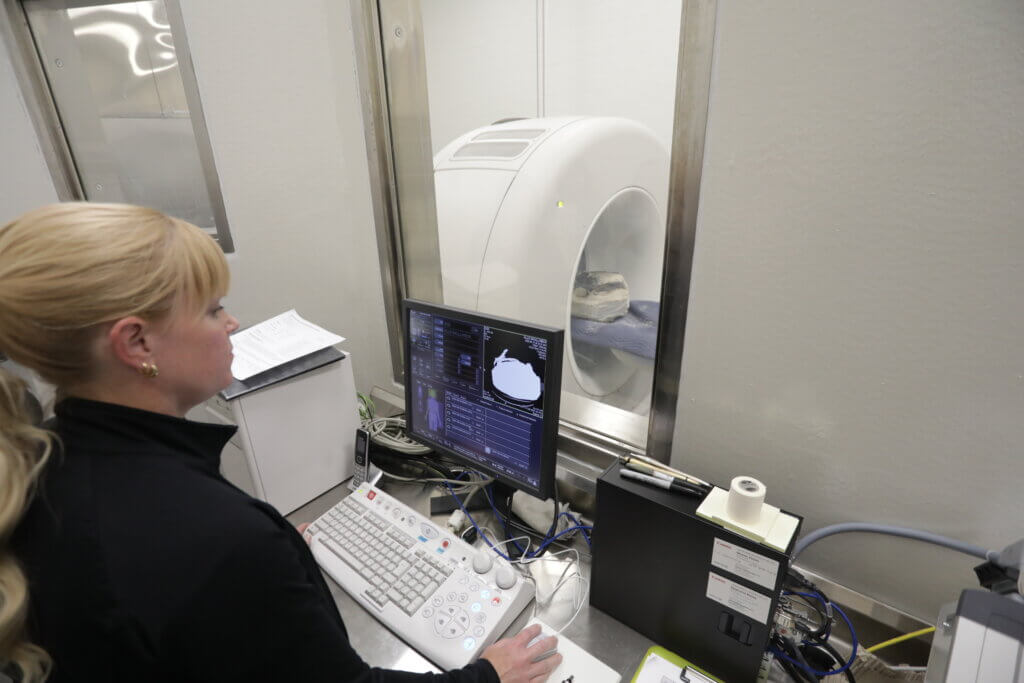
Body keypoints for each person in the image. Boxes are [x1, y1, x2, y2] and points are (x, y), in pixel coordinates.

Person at [0, 203, 562, 683]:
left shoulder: (43, 466)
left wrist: (261, 553)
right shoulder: (218, 542)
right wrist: (487, 674)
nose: (232, 323)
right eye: (212, 308)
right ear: (136, 341)